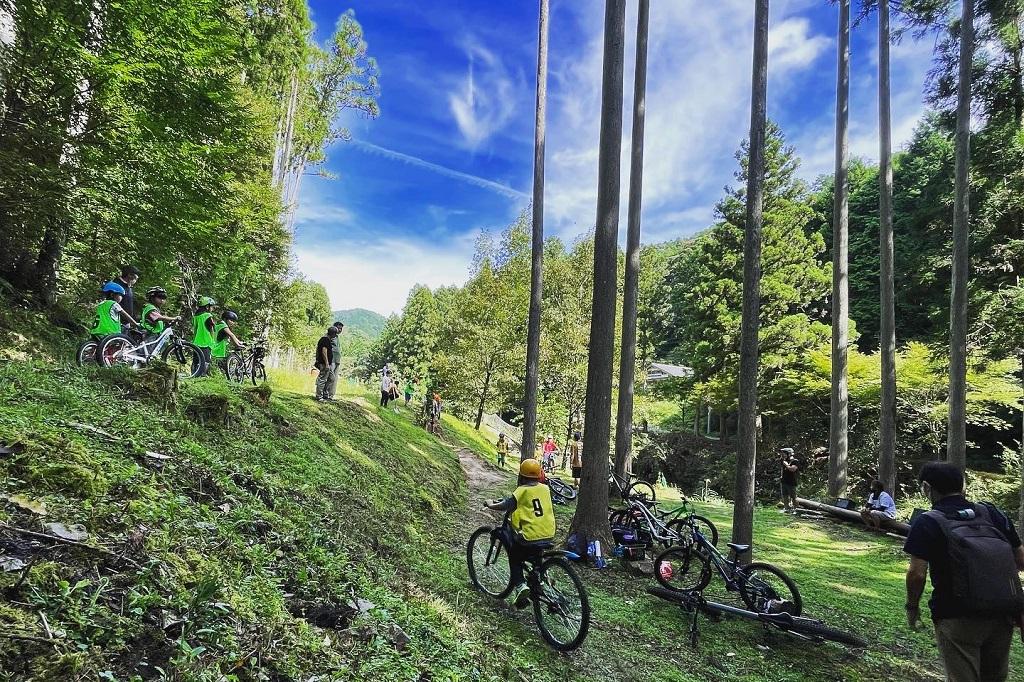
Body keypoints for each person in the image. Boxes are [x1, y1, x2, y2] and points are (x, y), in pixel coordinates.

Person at [904, 462, 1024, 682]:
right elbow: (1021, 559)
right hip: (1002, 613)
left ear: (927, 488)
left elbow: (917, 574)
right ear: (963, 485)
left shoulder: (927, 521)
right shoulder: (991, 513)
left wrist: (912, 606)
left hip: (956, 615)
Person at [484, 458, 555, 608]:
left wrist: (491, 504)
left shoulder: (521, 491)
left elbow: (506, 505)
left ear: (521, 476)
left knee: (515, 555)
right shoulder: (545, 489)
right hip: (547, 533)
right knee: (535, 556)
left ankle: (521, 586)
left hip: (529, 536)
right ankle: (539, 580)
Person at [212, 310, 245, 376]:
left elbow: (231, 338)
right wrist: (238, 344)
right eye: (231, 320)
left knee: (217, 370)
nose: (232, 322)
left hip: (215, 350)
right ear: (225, 319)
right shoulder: (222, 325)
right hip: (216, 351)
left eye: (233, 321)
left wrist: (239, 342)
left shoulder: (218, 325)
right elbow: (231, 335)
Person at [191, 296, 218, 376]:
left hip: (196, 342)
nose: (212, 308)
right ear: (207, 306)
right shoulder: (207, 315)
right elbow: (212, 328)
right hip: (206, 342)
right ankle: (202, 375)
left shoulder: (195, 316)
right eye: (211, 306)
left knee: (196, 361)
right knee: (205, 361)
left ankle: (193, 375)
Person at [313, 326, 338, 401]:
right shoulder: (325, 339)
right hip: (324, 363)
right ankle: (319, 396)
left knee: (331, 378)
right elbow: (324, 351)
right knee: (322, 379)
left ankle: (325, 394)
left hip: (328, 363)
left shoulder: (327, 340)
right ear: (333, 334)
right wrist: (326, 363)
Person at [779, 447, 800, 511]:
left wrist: (786, 465)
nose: (782, 455)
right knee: (785, 496)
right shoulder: (783, 461)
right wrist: (781, 476)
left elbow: (792, 469)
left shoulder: (795, 461)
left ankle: (796, 509)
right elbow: (782, 469)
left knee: (793, 497)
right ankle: (786, 509)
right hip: (784, 481)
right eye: (782, 453)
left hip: (791, 482)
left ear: (789, 454)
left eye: (784, 453)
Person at [327, 321, 344, 400]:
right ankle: (325, 393)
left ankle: (331, 395)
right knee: (330, 376)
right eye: (338, 328)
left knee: (335, 378)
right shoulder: (329, 336)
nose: (340, 330)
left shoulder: (337, 337)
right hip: (331, 359)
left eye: (341, 329)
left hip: (337, 360)